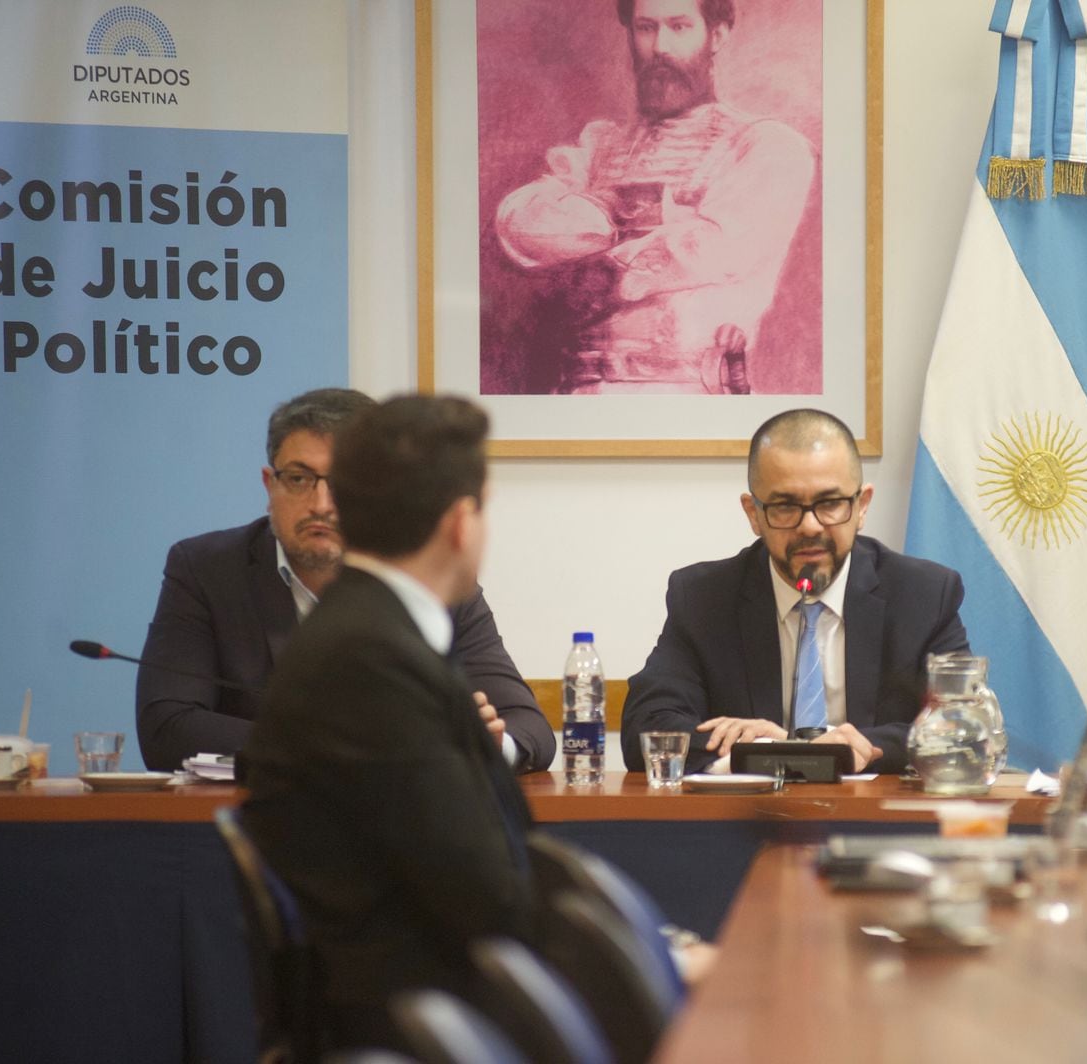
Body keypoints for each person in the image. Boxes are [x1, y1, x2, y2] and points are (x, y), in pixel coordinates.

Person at [240, 395, 535, 1053]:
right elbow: (483, 896)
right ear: (461, 522)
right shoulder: (372, 659)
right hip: (412, 1022)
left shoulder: (372, 631)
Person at [135, 388, 553, 772]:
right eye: (299, 479)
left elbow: (529, 728)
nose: (321, 504)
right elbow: (167, 728)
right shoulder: (206, 569)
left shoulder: (429, 580)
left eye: (342, 483)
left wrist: (489, 744)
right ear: (270, 484)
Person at [493, 0, 817, 394]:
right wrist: (609, 209)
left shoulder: (766, 147)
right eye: (646, 28)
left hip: (690, 401)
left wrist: (597, 267)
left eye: (679, 27)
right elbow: (518, 223)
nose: (660, 46)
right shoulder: (598, 146)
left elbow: (713, 247)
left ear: (716, 35)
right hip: (574, 399)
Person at [621, 409, 971, 774]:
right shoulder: (704, 598)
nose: (809, 526)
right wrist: (764, 748)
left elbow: (960, 728)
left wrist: (845, 747)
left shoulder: (924, 595)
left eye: (830, 503)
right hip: (747, 822)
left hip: (877, 823)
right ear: (753, 513)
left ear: (861, 506)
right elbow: (645, 731)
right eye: (786, 506)